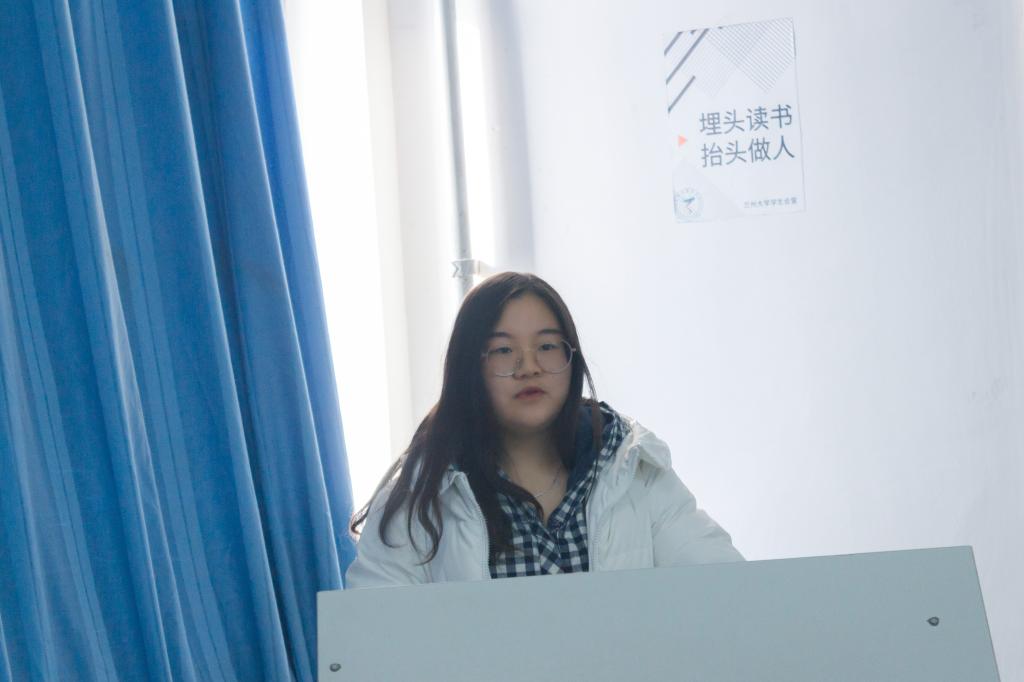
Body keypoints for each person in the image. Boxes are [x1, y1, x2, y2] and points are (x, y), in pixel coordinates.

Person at [345, 272, 741, 588]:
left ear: (572, 358)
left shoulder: (635, 469)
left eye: (548, 346)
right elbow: (378, 642)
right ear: (469, 368)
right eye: (503, 350)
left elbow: (727, 592)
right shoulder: (418, 497)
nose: (529, 367)